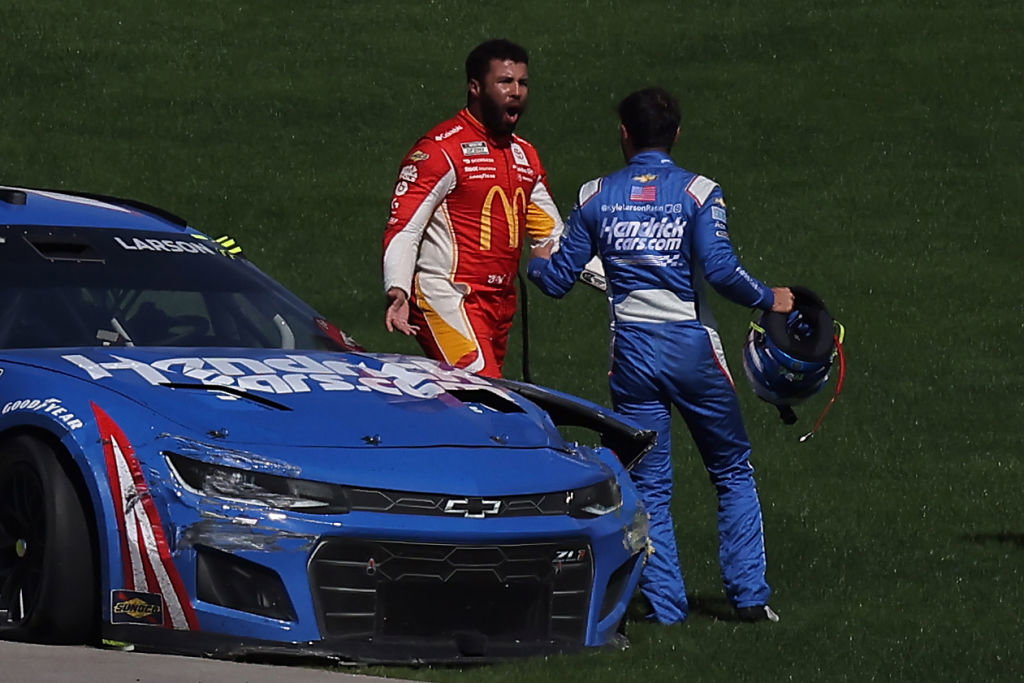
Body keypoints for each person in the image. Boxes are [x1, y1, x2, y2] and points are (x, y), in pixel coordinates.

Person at [528, 87, 794, 624]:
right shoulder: (699, 192)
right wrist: (771, 298)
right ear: (676, 135)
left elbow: (557, 281)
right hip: (693, 349)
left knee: (650, 482)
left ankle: (667, 607)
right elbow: (721, 271)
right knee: (732, 469)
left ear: (624, 134)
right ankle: (749, 598)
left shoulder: (596, 195)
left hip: (631, 354)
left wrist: (536, 261)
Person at [382, 39, 563, 378]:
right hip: (447, 297)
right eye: (505, 82)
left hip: (499, 304)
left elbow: (551, 232)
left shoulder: (525, 155)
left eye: (523, 83)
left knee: (475, 405)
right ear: (475, 87)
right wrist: (398, 287)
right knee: (485, 394)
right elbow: (406, 226)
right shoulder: (441, 150)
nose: (516, 92)